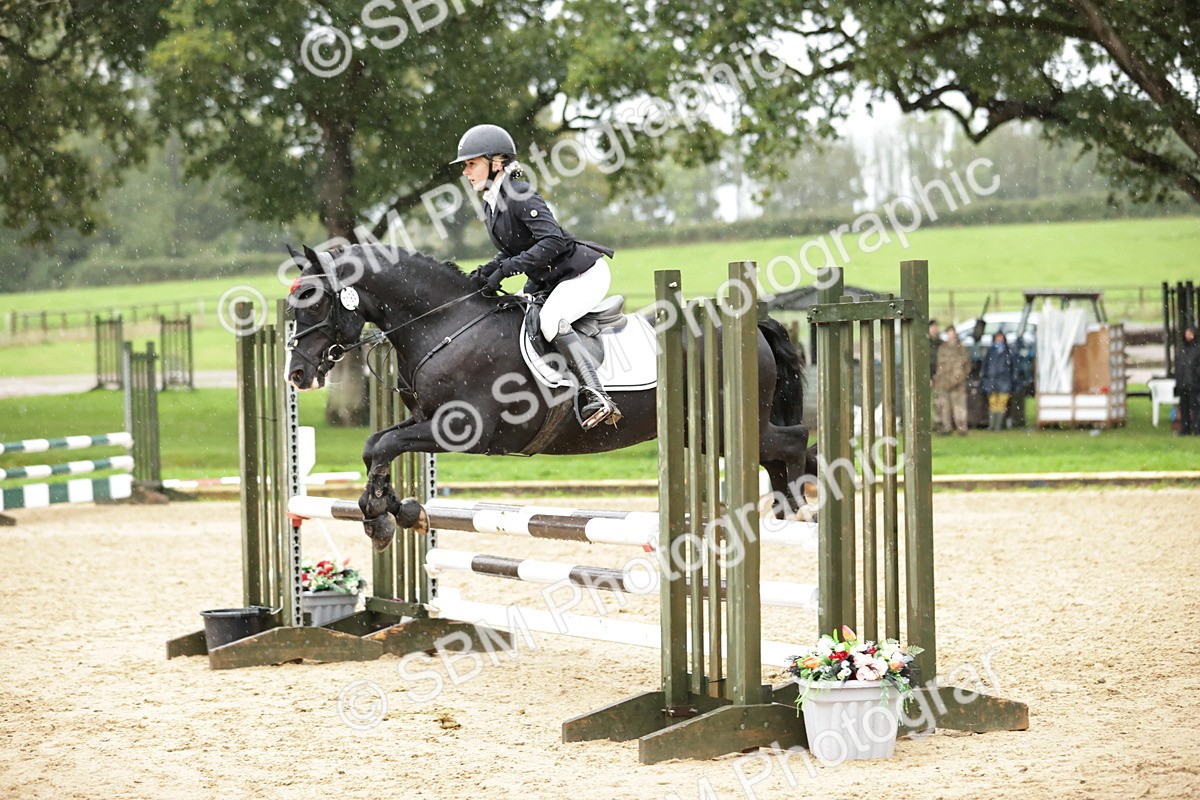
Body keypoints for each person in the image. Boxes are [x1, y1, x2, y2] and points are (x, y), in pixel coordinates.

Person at [453, 124, 620, 430]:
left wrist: (507, 269)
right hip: (554, 279)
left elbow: (553, 241)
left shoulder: (519, 194)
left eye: (471, 164)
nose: (466, 172)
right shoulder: (493, 203)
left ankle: (597, 394)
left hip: (582, 274)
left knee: (550, 319)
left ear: (497, 163)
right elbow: (514, 247)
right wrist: (489, 270)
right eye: (465, 166)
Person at [934, 326, 970, 435]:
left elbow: (966, 366)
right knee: (944, 407)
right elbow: (938, 366)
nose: (950, 336)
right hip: (943, 382)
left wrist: (959, 378)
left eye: (952, 333)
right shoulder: (942, 348)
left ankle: (962, 428)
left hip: (957, 383)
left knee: (959, 407)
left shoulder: (961, 349)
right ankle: (946, 427)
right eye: (948, 333)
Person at [980, 330, 1017, 431]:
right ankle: (992, 425)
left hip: (1004, 381)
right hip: (991, 381)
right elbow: (985, 366)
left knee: (1001, 403)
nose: (999, 339)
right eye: (997, 337)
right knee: (992, 403)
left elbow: (1013, 368)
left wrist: (1012, 380)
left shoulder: (1008, 352)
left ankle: (998, 426)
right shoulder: (991, 351)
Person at [1177, 326, 1200, 435]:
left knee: (1195, 408)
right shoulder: (1182, 349)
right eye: (1187, 333)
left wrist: (1196, 376)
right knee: (1184, 408)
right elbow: (1180, 366)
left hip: (1194, 384)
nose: (1188, 335)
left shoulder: (1198, 349)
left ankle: (1197, 429)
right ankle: (1185, 429)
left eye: (1190, 333)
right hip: (1183, 384)